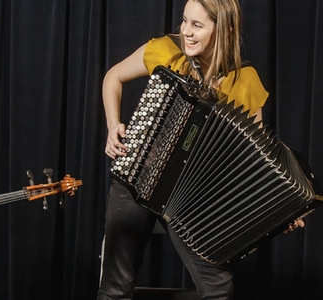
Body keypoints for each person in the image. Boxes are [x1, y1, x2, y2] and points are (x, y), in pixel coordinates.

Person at [98, 0, 303, 299]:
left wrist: (281, 209)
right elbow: (112, 77)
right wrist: (113, 124)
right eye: (184, 21)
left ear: (225, 29)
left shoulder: (244, 79)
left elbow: (256, 157)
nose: (186, 32)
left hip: (190, 198)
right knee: (115, 289)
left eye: (197, 25)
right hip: (136, 177)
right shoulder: (166, 50)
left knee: (218, 289)